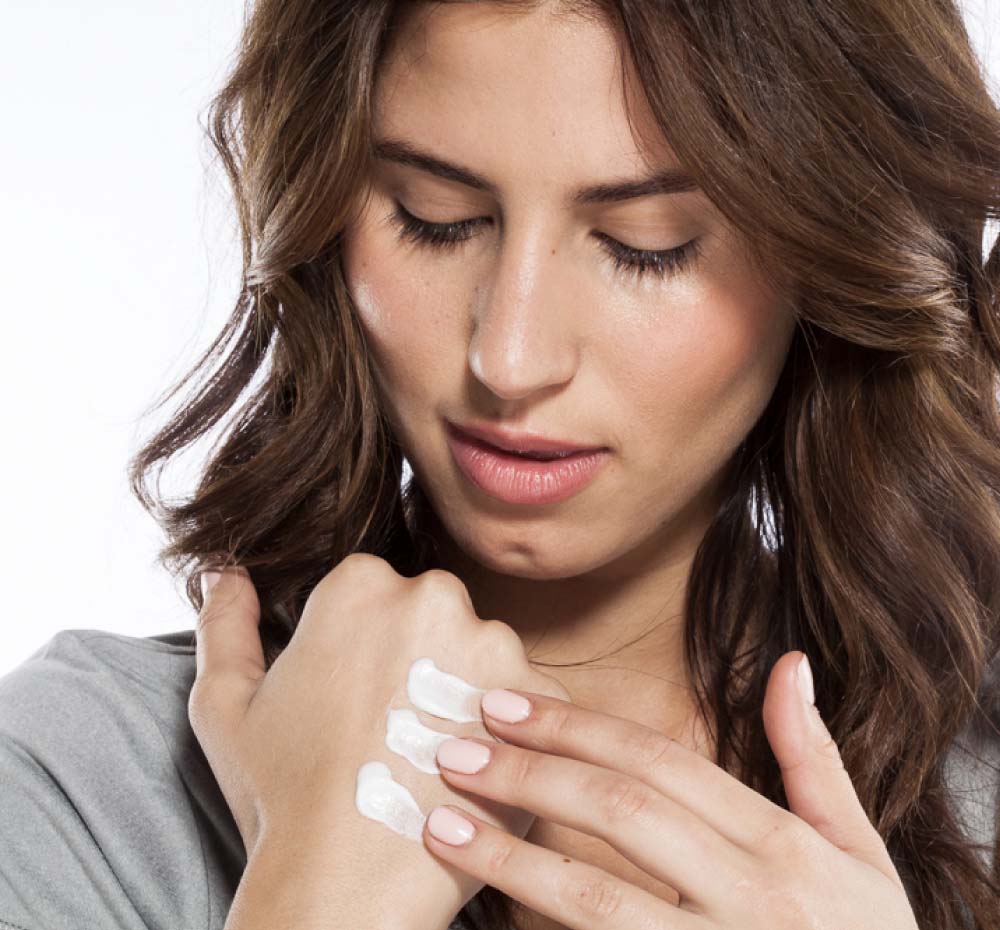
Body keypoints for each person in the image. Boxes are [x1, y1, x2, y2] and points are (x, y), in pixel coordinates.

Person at [2, 1, 999, 928]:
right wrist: (319, 892)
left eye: (646, 246)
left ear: (830, 256)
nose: (510, 360)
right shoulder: (82, 785)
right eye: (436, 217)